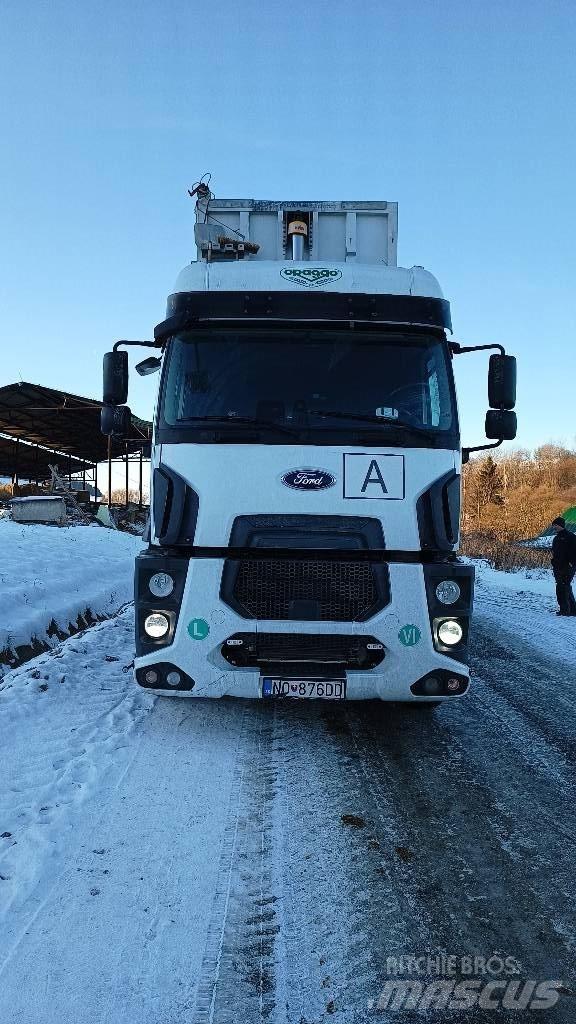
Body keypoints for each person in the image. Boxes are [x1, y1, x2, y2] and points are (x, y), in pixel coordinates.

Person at [551, 517, 576, 616]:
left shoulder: (571, 536)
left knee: (564, 586)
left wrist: (572, 563)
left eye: (555, 525)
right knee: (563, 587)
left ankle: (566, 610)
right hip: (557, 566)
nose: (554, 527)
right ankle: (570, 609)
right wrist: (553, 562)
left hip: (568, 566)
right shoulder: (556, 538)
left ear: (561, 525)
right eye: (553, 525)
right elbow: (555, 552)